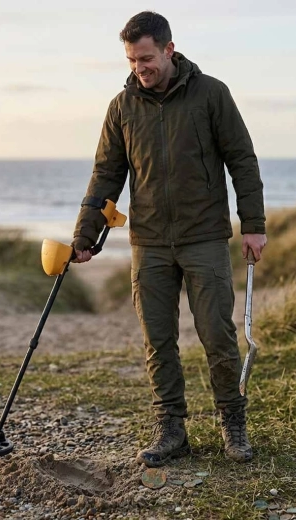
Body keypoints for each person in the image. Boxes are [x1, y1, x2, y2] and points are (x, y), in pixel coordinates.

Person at [72, 11, 267, 467]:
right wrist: (85, 234)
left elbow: (242, 159)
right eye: (132, 60)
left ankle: (233, 424)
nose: (139, 68)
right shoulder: (122, 107)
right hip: (149, 242)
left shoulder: (212, 94)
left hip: (204, 237)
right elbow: (106, 175)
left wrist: (253, 224)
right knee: (157, 341)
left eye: (146, 58)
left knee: (217, 336)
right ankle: (171, 430)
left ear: (169, 50)